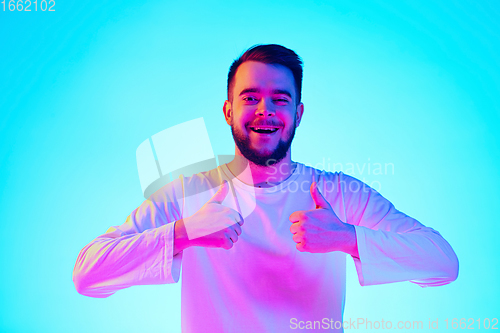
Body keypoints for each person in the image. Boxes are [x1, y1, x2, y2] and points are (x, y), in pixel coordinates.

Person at [73, 44, 458, 332]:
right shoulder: (187, 194)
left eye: (280, 99)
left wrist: (349, 238)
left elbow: (443, 263)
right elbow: (87, 274)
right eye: (250, 97)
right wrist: (183, 233)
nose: (265, 110)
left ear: (298, 114)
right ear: (228, 111)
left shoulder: (340, 194)